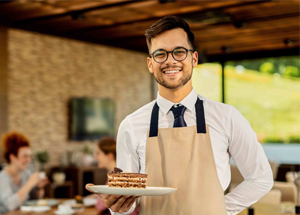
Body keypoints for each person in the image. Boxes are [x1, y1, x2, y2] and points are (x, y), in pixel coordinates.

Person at [86, 16, 273, 215]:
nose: (170, 61)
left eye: (179, 52)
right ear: (150, 64)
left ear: (193, 59)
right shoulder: (131, 125)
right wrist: (118, 205)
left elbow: (260, 178)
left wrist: (220, 210)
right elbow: (126, 203)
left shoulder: (227, 117)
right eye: (160, 54)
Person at [0, 132, 49, 214]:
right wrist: (30, 183)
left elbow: (34, 199)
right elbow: (10, 206)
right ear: (12, 157)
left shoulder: (25, 173)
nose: (29, 160)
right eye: (25, 156)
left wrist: (39, 187)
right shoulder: (2, 178)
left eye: (30, 156)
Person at [88, 137, 139, 215]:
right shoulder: (120, 172)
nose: (96, 157)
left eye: (98, 153)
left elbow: (99, 206)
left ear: (109, 155)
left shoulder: (116, 177)